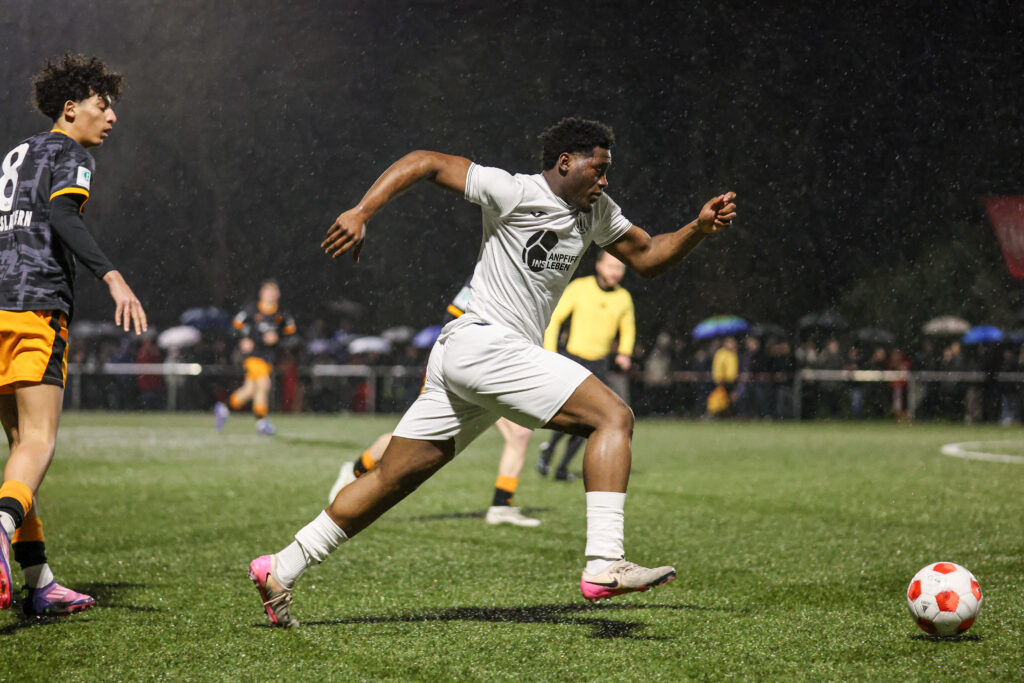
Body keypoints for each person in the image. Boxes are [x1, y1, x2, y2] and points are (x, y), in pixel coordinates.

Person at [248, 117, 736, 627]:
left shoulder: (597, 211)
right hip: (484, 343)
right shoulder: (513, 190)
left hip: (474, 357)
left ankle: (281, 567)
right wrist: (362, 211)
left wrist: (697, 229)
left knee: (391, 479)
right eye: (598, 169)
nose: (605, 180)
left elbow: (649, 255)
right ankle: (604, 562)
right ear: (565, 162)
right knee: (612, 417)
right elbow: (426, 161)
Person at [0, 53, 147, 616]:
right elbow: (64, 217)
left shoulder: (17, 154)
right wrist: (113, 277)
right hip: (35, 306)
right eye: (102, 106)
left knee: (21, 449)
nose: (111, 118)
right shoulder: (70, 154)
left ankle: (38, 581)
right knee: (40, 442)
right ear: (70, 109)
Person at [329, 281, 540, 527]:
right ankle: (355, 470)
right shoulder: (486, 276)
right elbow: (451, 320)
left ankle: (501, 505)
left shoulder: (521, 279)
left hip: (491, 368)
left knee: (519, 433)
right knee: (414, 441)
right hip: (461, 367)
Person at [537, 251, 635, 480]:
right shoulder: (580, 287)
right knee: (568, 415)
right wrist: (550, 351)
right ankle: (549, 450)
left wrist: (624, 352)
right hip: (573, 360)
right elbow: (555, 317)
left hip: (599, 365)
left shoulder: (623, 298)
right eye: (611, 266)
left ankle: (562, 468)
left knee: (594, 420)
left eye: (620, 268)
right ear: (599, 266)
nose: (615, 272)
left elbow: (628, 327)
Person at [215, 280, 296, 435]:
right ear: (262, 293)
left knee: (250, 389)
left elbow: (291, 334)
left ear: (278, 294)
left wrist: (278, 338)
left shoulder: (281, 313)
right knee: (264, 384)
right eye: (268, 290)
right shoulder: (252, 309)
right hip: (253, 355)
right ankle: (262, 423)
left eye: (274, 291)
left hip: (269, 356)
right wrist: (243, 340)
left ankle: (224, 409)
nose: (271, 294)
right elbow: (234, 327)